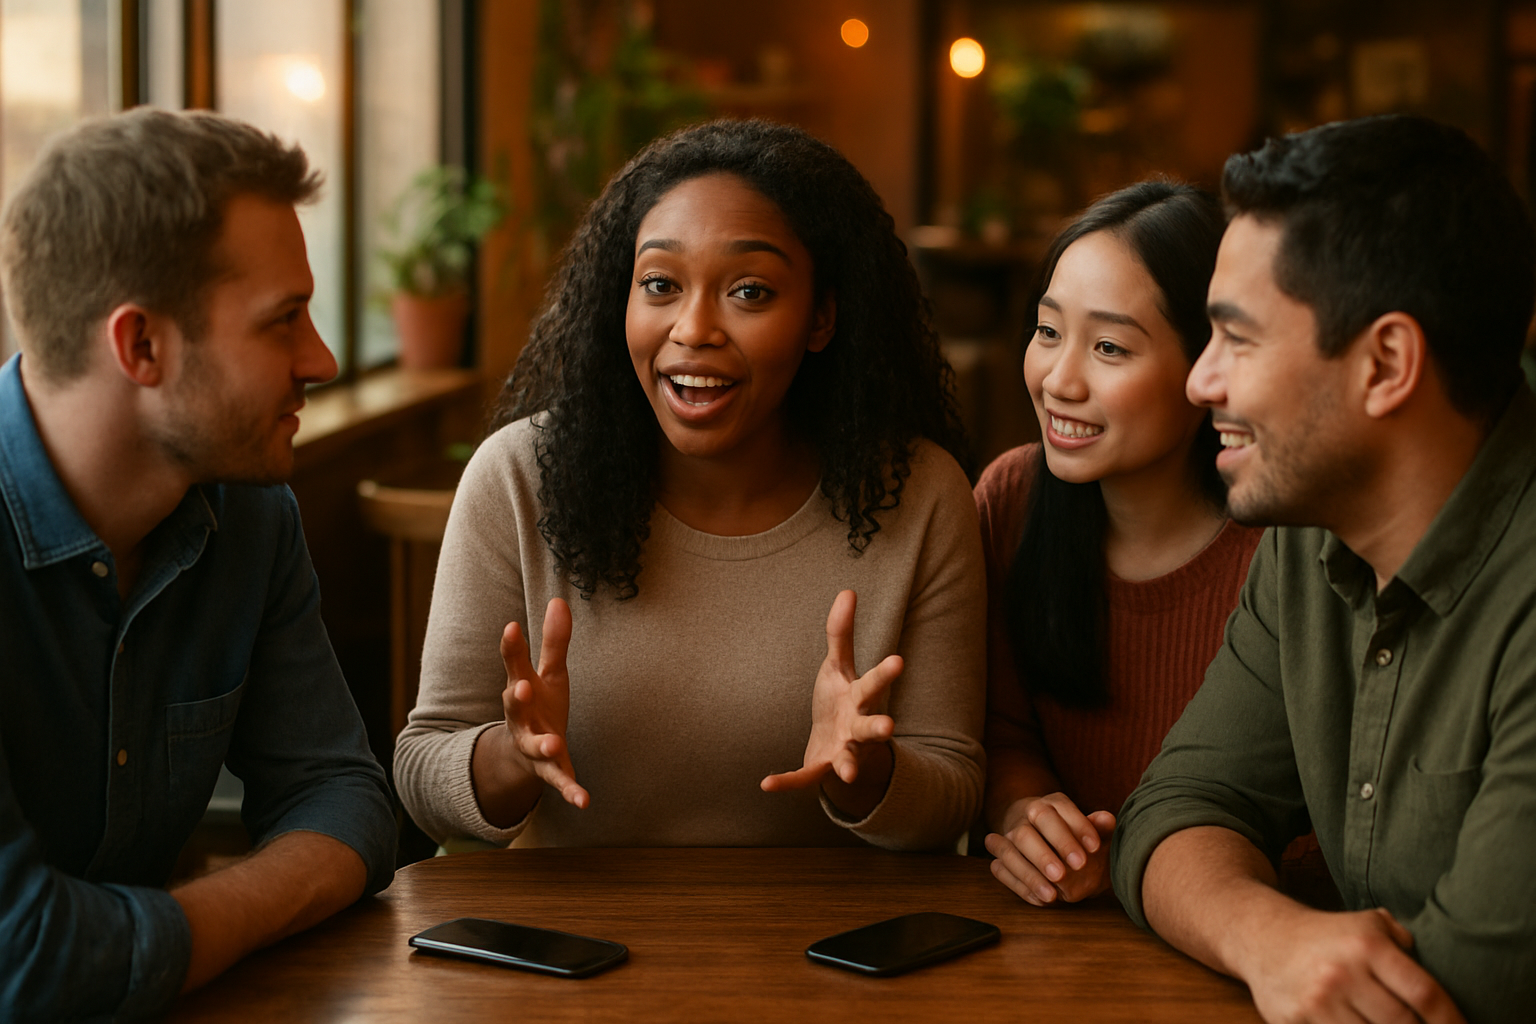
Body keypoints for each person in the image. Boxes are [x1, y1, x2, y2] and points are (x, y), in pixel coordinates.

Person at [394, 119, 985, 851]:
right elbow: (423, 772)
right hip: (567, 950)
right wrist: (510, 758)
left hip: (828, 950)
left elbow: (956, 787)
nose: (693, 328)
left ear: (822, 317)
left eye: (749, 291)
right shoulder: (518, 476)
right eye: (660, 285)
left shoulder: (918, 491)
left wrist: (865, 772)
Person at [1112, 114, 1536, 1024]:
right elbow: (1176, 807)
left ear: (1386, 363)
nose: (1199, 383)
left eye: (1237, 338)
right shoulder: (1315, 531)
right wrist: (1272, 937)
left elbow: (1467, 990)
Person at [0, 109, 396, 1020]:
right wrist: (242, 909)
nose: (324, 359)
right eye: (283, 322)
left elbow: (343, 800)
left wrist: (139, 940)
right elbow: (25, 959)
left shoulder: (249, 511)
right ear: (140, 345)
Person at [976, 181, 1263, 906]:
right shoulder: (1011, 499)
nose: (1059, 379)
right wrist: (1031, 817)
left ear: (1208, 366)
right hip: (1055, 948)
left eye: (1108, 346)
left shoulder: (1281, 546)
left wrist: (1139, 862)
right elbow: (1003, 731)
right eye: (1047, 332)